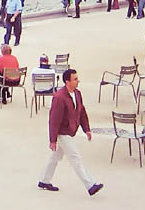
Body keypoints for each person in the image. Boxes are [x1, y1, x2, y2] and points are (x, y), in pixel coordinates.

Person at [39, 69, 103, 197]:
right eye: (75, 79)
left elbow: (82, 112)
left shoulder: (77, 94)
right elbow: (54, 120)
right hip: (62, 132)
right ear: (67, 81)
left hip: (69, 130)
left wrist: (87, 129)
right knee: (75, 158)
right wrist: (53, 139)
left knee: (55, 157)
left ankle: (44, 181)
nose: (77, 81)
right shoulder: (59, 97)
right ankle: (90, 185)